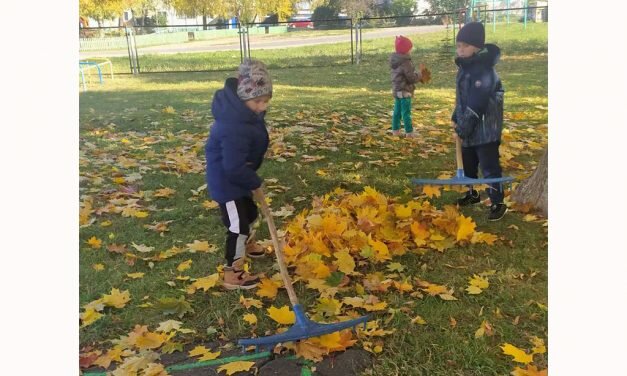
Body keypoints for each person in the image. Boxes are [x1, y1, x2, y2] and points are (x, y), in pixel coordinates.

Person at [205, 59, 272, 289]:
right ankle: (232, 273)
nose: (262, 107)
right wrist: (253, 180)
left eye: (266, 101)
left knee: (251, 214)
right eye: (258, 101)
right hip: (228, 183)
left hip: (240, 176)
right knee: (238, 226)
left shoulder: (245, 114)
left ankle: (248, 244)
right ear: (244, 98)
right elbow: (232, 166)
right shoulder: (233, 125)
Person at [451, 21, 507, 221]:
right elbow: (462, 98)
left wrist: (463, 127)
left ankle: (497, 202)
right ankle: (472, 193)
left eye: (465, 45)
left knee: (489, 166)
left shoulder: (483, 70)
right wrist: (456, 117)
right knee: (468, 164)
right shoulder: (465, 68)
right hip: (469, 127)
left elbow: (477, 103)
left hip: (485, 129)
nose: (460, 49)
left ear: (477, 47)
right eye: (458, 45)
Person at [389, 35, 423, 138]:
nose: (411, 51)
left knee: (397, 112)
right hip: (405, 91)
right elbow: (411, 78)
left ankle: (395, 131)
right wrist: (420, 75)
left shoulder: (395, 61)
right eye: (410, 49)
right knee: (406, 112)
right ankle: (409, 132)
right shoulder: (406, 62)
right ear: (406, 50)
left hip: (397, 91)